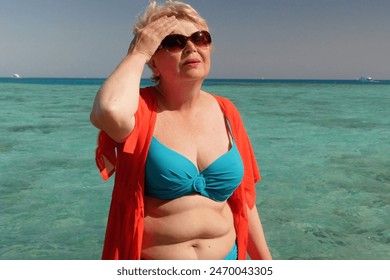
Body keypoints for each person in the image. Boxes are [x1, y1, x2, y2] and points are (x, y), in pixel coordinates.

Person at [90, 0, 272, 260]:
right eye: (174, 42)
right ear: (153, 63)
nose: (191, 47)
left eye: (200, 38)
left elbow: (243, 201)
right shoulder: (139, 111)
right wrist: (138, 53)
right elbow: (108, 110)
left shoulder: (226, 111)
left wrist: (267, 265)